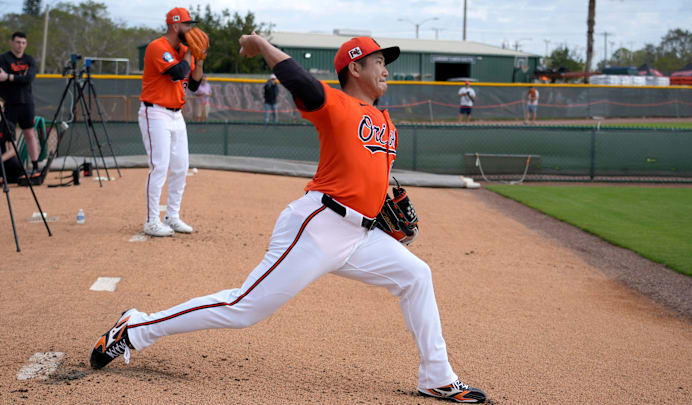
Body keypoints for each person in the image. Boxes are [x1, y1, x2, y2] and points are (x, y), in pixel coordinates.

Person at [89, 34, 488, 404]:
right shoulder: (336, 106)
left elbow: (371, 180)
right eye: (379, 62)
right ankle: (136, 328)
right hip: (317, 225)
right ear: (354, 67)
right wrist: (261, 43)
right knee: (243, 308)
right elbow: (300, 81)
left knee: (416, 275)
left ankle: (436, 376)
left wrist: (383, 206)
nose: (386, 70)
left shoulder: (387, 123)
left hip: (360, 235)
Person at [138, 7, 204, 237]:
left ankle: (173, 216)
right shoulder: (157, 47)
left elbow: (194, 84)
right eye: (187, 24)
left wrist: (200, 58)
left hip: (177, 115)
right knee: (159, 167)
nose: (191, 29)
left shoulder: (187, 49)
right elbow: (177, 73)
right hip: (155, 112)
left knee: (180, 167)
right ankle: (151, 221)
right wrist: (189, 55)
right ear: (175, 25)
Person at [0, 32, 40, 180]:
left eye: (23, 43)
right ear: (11, 42)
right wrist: (17, 78)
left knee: (29, 134)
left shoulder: (29, 60)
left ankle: (35, 167)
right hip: (9, 104)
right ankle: (7, 169)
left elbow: (28, 79)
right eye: (17, 42)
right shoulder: (3, 59)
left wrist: (9, 77)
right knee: (8, 139)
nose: (20, 45)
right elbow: (1, 78)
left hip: (26, 103)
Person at [0, 98, 23, 184]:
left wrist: (0, 159)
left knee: (14, 162)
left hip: (2, 159)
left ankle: (9, 179)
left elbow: (13, 150)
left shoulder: (8, 125)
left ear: (3, 109)